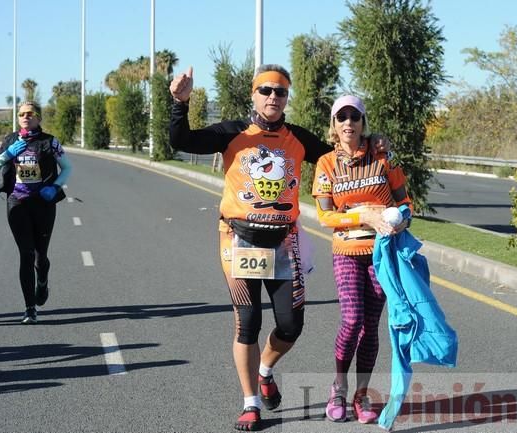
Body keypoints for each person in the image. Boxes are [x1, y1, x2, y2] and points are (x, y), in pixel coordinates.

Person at [169, 65, 390, 431]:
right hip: (238, 240)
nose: (273, 97)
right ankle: (250, 402)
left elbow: (343, 149)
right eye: (266, 90)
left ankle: (265, 370)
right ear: (254, 94)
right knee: (248, 322)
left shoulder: (297, 138)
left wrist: (376, 141)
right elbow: (182, 140)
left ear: (287, 98)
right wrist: (180, 103)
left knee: (290, 326)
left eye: (281, 92)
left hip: (285, 242)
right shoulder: (231, 132)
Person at [311, 95, 412, 424]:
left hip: (383, 254)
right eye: (342, 117)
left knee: (371, 328)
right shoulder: (326, 164)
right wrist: (364, 217)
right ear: (334, 124)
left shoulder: (383, 156)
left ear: (363, 122)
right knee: (352, 320)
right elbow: (325, 216)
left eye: (355, 116)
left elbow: (406, 202)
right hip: (347, 252)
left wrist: (401, 219)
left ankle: (361, 394)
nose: (348, 123)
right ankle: (338, 387)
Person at [0, 100, 72, 324]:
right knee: (26, 254)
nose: (25, 117)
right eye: (21, 114)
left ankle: (42, 280)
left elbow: (68, 167)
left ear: (38, 117)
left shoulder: (49, 142)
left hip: (43, 204)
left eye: (30, 113)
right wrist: (7, 154)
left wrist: (55, 186)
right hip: (17, 202)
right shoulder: (10, 140)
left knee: (40, 256)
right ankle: (30, 308)